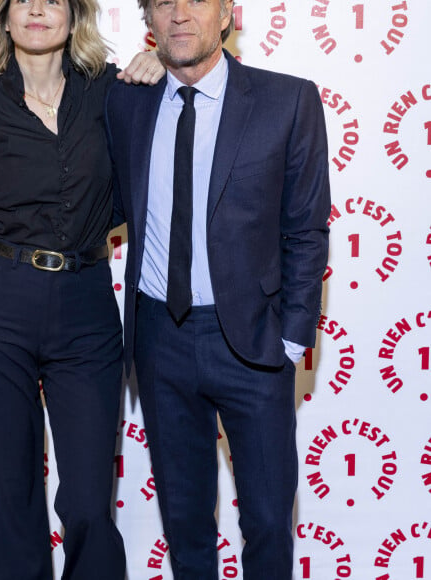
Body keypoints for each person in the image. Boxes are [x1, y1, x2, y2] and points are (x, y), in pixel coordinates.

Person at [105, 0, 331, 578]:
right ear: (148, 23)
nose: (179, 13)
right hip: (159, 338)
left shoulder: (288, 100)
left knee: (267, 519)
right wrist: (142, 66)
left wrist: (290, 341)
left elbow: (305, 228)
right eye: (162, 3)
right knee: (184, 523)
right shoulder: (124, 99)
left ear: (228, 14)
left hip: (255, 344)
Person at [0, 1, 163, 579]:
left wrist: (156, 64)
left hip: (87, 305)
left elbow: (154, 153)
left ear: (74, 17)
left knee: (89, 498)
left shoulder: (111, 94)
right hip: (0, 306)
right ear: (5, 19)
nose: (39, 9)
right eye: (24, 0)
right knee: (5, 495)